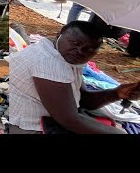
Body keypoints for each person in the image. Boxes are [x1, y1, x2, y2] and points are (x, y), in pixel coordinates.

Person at [9, 21, 140, 134]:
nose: (80, 51)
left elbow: (83, 100)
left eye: (89, 49)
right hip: (27, 125)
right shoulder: (48, 63)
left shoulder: (62, 54)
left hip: (53, 118)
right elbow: (70, 120)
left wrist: (117, 93)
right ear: (59, 35)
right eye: (75, 43)